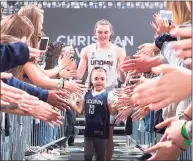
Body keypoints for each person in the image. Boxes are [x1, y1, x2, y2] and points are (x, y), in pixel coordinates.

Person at [76, 19, 126, 160]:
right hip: (91, 93)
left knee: (108, 133)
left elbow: (122, 78)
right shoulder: (87, 50)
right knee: (90, 132)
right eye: (100, 32)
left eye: (106, 32)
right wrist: (65, 67)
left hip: (109, 93)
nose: (103, 35)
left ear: (110, 33)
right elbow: (79, 74)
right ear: (95, 33)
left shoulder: (118, 51)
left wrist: (123, 71)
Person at [69, 67, 118, 161]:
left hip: (102, 132)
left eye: (102, 79)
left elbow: (112, 111)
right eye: (96, 79)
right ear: (91, 80)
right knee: (87, 155)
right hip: (89, 132)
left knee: (100, 157)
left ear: (106, 81)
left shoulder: (108, 95)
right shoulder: (86, 94)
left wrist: (118, 104)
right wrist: (71, 102)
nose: (99, 81)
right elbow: (79, 110)